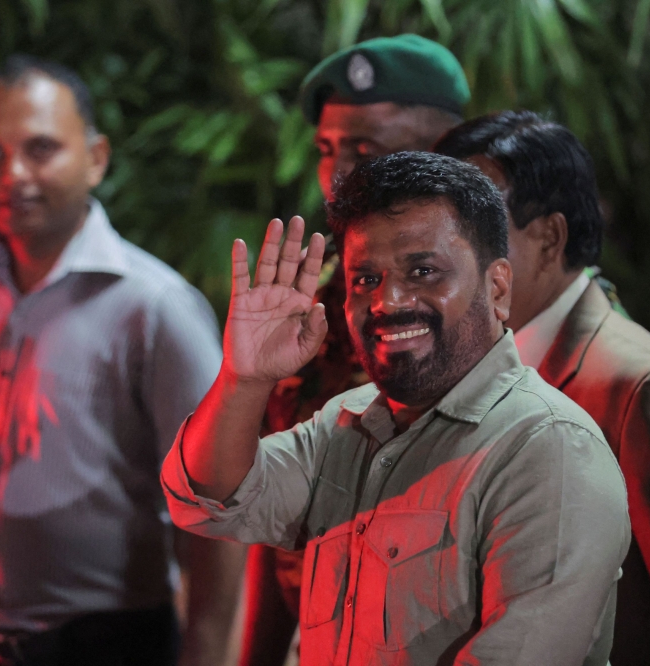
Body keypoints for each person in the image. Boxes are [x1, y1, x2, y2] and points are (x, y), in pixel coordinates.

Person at [163, 151, 631, 665]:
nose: (387, 301)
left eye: (423, 270)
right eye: (364, 279)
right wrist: (244, 378)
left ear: (497, 288)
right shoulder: (348, 422)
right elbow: (210, 501)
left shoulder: (551, 449)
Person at [0, 56, 246, 666]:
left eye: (40, 149)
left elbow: (214, 517)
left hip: (105, 646)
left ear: (96, 157)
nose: (11, 174)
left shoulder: (155, 307)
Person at [435, 111, 650, 666]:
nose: (442, 259)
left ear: (549, 238)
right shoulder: (468, 363)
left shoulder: (639, 389)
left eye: (474, 231)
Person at [240, 34, 469, 666]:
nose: (337, 176)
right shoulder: (313, 297)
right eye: (326, 150)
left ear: (443, 154)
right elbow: (275, 503)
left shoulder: (479, 309)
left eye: (365, 151)